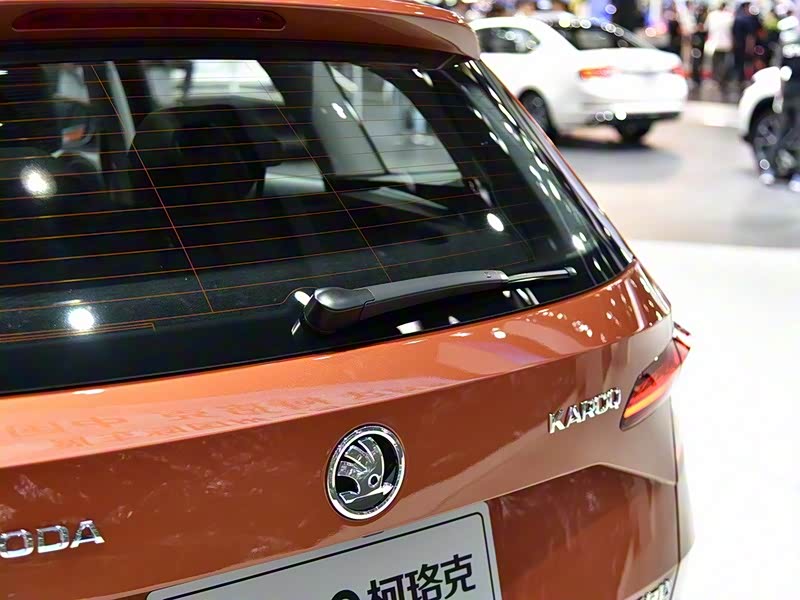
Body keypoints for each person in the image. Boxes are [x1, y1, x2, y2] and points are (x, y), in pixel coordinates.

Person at [760, 17, 800, 190]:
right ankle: (776, 169)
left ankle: (781, 171)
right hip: (789, 94)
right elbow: (779, 69)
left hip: (791, 94)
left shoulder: (787, 46)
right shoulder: (786, 46)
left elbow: (779, 68)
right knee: (786, 132)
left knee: (788, 133)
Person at [705, 2, 735, 90]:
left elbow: (706, 28)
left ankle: (716, 79)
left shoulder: (712, 15)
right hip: (726, 43)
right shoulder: (729, 16)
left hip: (714, 43)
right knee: (724, 62)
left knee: (715, 62)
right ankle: (722, 79)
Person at [733, 1, 759, 85]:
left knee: (738, 63)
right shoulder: (747, 19)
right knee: (747, 63)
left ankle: (739, 79)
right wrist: (750, 47)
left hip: (737, 44)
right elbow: (750, 35)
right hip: (744, 45)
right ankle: (744, 79)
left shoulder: (737, 17)